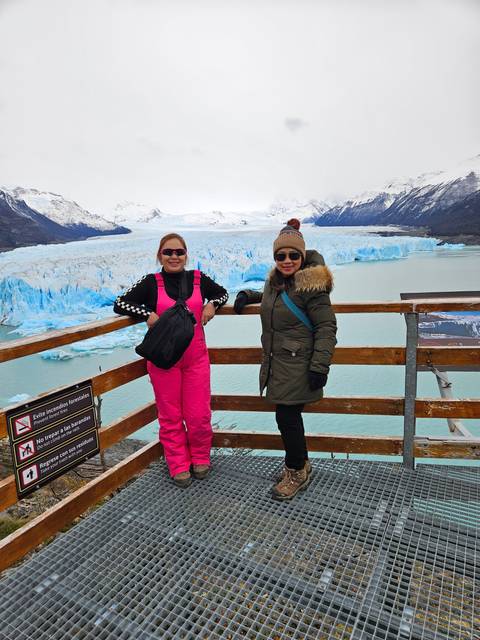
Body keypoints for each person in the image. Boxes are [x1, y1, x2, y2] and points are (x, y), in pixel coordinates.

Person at [114, 233, 228, 488]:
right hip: (164, 360)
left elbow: (222, 294)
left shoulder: (198, 279)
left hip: (196, 358)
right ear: (160, 255)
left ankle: (200, 457)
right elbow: (121, 303)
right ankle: (177, 463)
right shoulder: (151, 282)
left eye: (179, 252)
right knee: (170, 414)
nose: (174, 256)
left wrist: (212, 306)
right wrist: (148, 314)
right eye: (168, 252)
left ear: (186, 255)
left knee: (198, 414)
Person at [234, 219, 337, 501]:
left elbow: (327, 327)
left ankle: (297, 471)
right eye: (281, 255)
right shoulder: (275, 281)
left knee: (287, 416)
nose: (287, 260)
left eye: (293, 255)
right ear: (275, 257)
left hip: (300, 364)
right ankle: (299, 464)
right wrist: (249, 295)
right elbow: (275, 297)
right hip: (279, 362)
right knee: (286, 417)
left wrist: (319, 366)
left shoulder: (311, 286)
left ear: (302, 256)